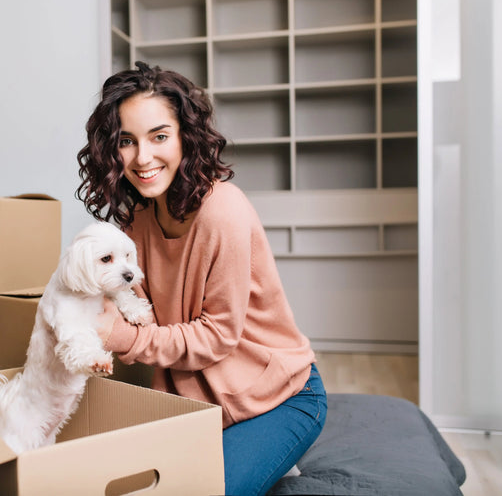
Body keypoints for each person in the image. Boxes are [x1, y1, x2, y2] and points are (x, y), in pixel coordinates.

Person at [76, 61, 327, 496]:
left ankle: (268, 452)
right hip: (198, 408)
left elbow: (216, 337)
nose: (143, 158)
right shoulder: (136, 222)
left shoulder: (223, 210)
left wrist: (120, 337)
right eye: (126, 141)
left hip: (278, 399)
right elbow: (141, 317)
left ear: (185, 138)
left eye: (159, 136)